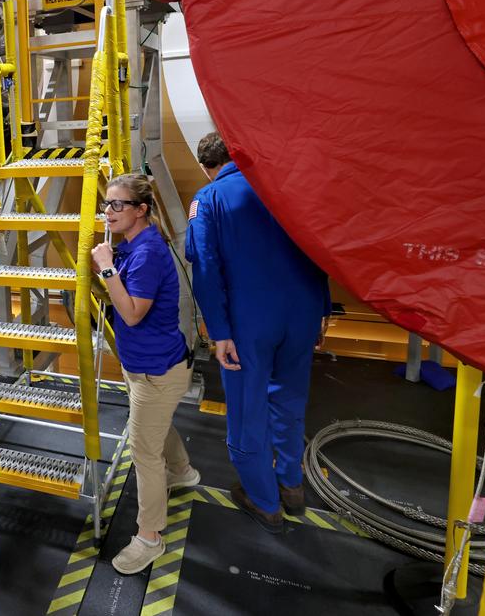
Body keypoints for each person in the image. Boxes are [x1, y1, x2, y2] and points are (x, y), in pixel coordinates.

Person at [184, 131, 330, 534]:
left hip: (249, 321)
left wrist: (219, 331)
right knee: (289, 399)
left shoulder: (208, 199)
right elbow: (318, 247)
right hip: (301, 313)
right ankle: (292, 485)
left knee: (248, 409)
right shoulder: (284, 186)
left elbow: (207, 269)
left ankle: (264, 501)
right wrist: (321, 307)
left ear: (206, 166)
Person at [91, 173, 201, 575]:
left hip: (156, 369)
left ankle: (150, 538)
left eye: (118, 204)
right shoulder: (132, 245)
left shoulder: (148, 252)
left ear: (141, 210)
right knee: (153, 425)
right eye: (107, 203)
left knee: (143, 452)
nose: (109, 211)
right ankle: (184, 472)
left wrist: (105, 269)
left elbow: (133, 313)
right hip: (145, 365)